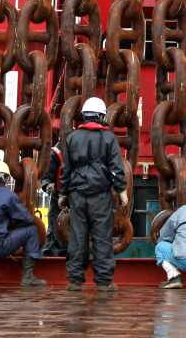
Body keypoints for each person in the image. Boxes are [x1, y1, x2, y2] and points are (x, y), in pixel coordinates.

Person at [64, 96, 127, 292]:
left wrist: (62, 193)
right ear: (101, 116)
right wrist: (122, 191)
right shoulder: (108, 138)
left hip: (77, 195)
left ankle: (75, 281)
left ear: (83, 116)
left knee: (77, 237)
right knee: (101, 237)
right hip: (100, 196)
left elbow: (66, 170)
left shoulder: (72, 138)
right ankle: (103, 282)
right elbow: (116, 168)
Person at [41, 140, 65, 255]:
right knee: (55, 228)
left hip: (77, 197)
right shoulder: (55, 153)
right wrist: (48, 185)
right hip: (59, 197)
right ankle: (53, 250)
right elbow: (46, 178)